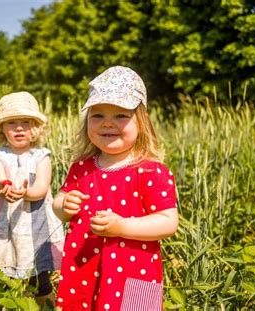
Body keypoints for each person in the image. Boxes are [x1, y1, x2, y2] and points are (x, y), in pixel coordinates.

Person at [53, 66, 179, 310]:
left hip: (135, 270)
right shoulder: (81, 168)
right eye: (97, 115)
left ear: (141, 123)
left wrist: (122, 226)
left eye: (120, 116)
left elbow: (167, 222)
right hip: (84, 266)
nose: (107, 123)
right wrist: (64, 206)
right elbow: (60, 202)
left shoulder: (150, 171)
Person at [0, 91, 64, 305]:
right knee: (5, 272)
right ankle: (8, 302)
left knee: (39, 278)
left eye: (26, 122)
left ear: (36, 128)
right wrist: (4, 188)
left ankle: (45, 305)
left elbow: (42, 188)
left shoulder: (42, 156)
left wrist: (25, 193)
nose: (19, 127)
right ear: (2, 129)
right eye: (12, 122)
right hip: (7, 222)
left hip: (35, 226)